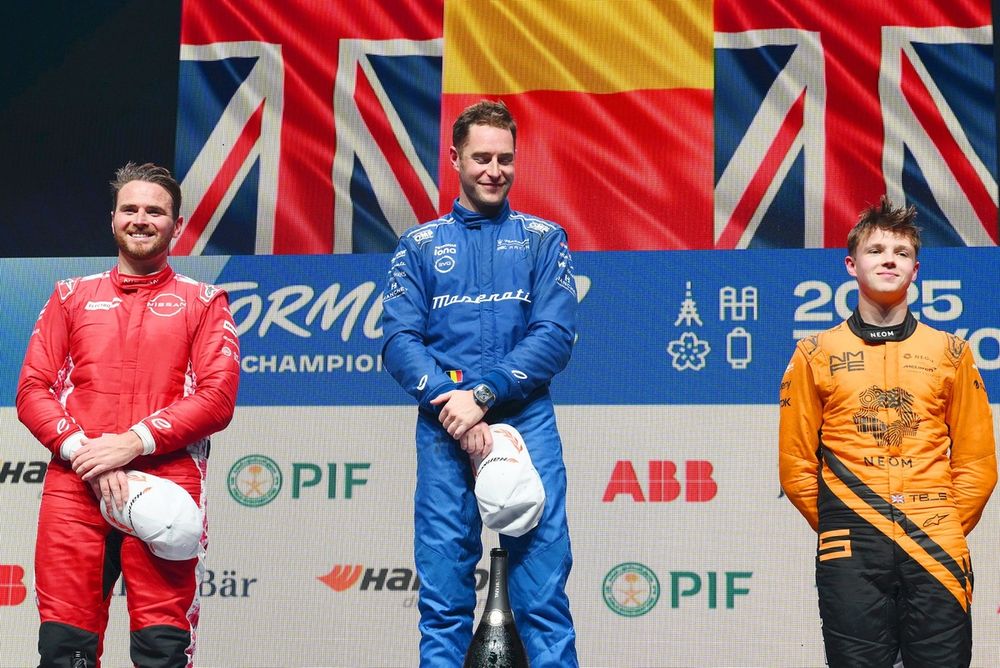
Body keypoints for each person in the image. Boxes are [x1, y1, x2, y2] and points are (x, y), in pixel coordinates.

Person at [16, 162, 240, 667]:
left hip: (168, 485)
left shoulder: (205, 301)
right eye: (130, 209)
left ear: (177, 225)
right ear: (113, 219)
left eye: (155, 211)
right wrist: (86, 453)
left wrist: (132, 442)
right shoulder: (70, 296)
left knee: (162, 651)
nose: (141, 219)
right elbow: (32, 389)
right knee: (63, 650)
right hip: (77, 488)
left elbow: (217, 397)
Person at [381, 100, 578, 667]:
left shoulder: (544, 239)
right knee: (443, 599)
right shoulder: (419, 245)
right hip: (444, 424)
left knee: (542, 596)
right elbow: (398, 341)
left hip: (524, 417)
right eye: (481, 158)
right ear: (455, 159)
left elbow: (554, 335)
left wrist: (482, 397)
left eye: (505, 159)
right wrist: (454, 405)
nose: (495, 170)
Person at [778, 196, 997, 667]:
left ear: (915, 269)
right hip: (850, 546)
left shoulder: (951, 352)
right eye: (876, 250)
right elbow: (796, 464)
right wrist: (847, 522)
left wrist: (940, 522)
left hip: (937, 541)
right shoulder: (815, 352)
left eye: (901, 253)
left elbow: (978, 461)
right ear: (851, 264)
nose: (889, 260)